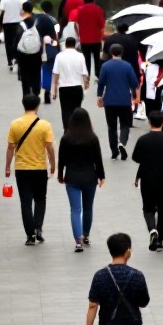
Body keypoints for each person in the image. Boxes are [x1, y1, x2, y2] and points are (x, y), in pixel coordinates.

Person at [84, 233, 150, 325]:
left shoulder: (100, 276)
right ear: (128, 252)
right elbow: (144, 302)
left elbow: (93, 305)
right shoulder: (137, 276)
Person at [4, 93, 55, 245]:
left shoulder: (15, 124)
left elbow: (10, 147)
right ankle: (38, 227)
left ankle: (30, 235)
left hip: (22, 169)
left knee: (25, 202)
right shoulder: (44, 125)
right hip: (39, 168)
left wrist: (7, 166)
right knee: (40, 199)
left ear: (23, 105)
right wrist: (53, 164)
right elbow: (49, 147)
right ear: (37, 106)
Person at [58, 107, 104, 251]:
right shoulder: (92, 138)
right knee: (88, 207)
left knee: (75, 210)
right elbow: (98, 159)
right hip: (90, 177)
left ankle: (78, 240)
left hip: (72, 177)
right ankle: (86, 235)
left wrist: (60, 174)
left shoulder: (66, 138)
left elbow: (62, 159)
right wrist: (101, 175)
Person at [133, 111, 163, 249]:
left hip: (147, 178)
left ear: (149, 122)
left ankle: (152, 229)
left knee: (148, 207)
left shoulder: (143, 140)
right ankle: (160, 239)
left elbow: (136, 157)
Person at [97, 44, 141, 160]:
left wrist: (99, 96)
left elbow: (101, 82)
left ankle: (114, 150)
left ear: (111, 52)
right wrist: (136, 96)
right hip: (124, 100)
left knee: (111, 127)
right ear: (122, 53)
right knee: (125, 124)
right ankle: (122, 143)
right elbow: (135, 83)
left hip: (109, 100)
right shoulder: (127, 66)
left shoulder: (105, 66)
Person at [51, 37, 89, 128]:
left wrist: (54, 90)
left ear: (65, 45)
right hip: (77, 87)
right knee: (77, 109)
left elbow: (56, 74)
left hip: (64, 88)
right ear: (75, 45)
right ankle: (76, 129)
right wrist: (86, 84)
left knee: (65, 110)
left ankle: (67, 129)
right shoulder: (80, 56)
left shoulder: (59, 56)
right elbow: (84, 73)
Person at [15, 4, 44, 97]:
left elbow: (17, 40)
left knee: (25, 76)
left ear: (24, 10)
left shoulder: (21, 24)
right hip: (36, 54)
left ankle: (26, 94)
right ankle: (36, 92)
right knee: (36, 74)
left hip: (23, 55)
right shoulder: (38, 22)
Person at [0, 0, 27, 71]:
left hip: (7, 24)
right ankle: (18, 59)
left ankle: (10, 61)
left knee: (8, 42)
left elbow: (0, 12)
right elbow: (26, 9)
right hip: (19, 23)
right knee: (19, 41)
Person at [75, 0, 106, 73]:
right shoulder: (98, 9)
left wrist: (78, 36)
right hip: (96, 39)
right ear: (93, 0)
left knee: (86, 59)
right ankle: (97, 74)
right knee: (96, 58)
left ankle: (87, 75)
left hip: (84, 40)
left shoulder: (80, 10)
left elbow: (76, 23)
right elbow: (102, 24)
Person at [37, 0, 58, 98]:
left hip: (41, 46)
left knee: (45, 68)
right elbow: (58, 34)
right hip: (52, 46)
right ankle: (52, 89)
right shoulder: (53, 20)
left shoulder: (38, 19)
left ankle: (46, 88)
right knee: (52, 69)